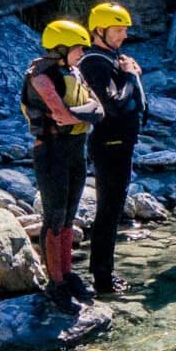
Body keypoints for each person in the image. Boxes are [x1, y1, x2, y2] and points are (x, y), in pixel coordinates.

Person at [19, 20, 105, 313]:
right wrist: (84, 114)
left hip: (74, 150)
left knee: (69, 216)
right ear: (61, 48)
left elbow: (99, 109)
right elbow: (62, 115)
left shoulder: (74, 72)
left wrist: (79, 115)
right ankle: (54, 283)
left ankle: (67, 275)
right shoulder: (41, 77)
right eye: (78, 47)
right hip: (52, 152)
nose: (82, 52)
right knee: (54, 218)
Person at [76, 1, 146, 298]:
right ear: (99, 31)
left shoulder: (108, 58)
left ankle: (104, 270)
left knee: (113, 207)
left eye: (125, 30)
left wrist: (130, 74)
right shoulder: (95, 62)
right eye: (118, 30)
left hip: (120, 143)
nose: (124, 36)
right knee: (109, 208)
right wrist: (130, 75)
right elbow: (114, 105)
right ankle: (102, 276)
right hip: (110, 143)